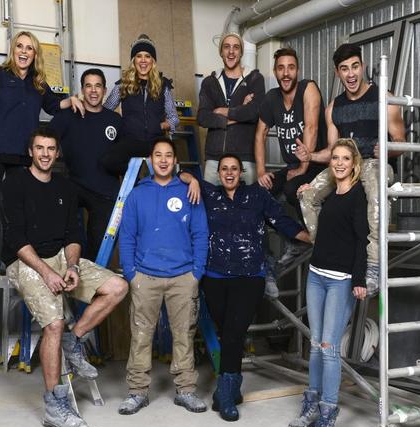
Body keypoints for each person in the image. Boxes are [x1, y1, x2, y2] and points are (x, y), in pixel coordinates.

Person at [1, 127, 128, 427]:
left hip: (61, 257)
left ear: (57, 153)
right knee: (54, 323)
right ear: (31, 151)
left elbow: (75, 234)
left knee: (117, 287)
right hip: (25, 261)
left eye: (51, 149)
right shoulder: (15, 182)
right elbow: (15, 237)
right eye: (40, 148)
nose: (45, 154)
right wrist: (47, 273)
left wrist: (70, 266)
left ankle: (77, 337)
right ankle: (54, 404)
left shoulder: (65, 187)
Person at [180, 154, 310, 422]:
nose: (229, 173)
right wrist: (192, 178)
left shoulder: (257, 196)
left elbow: (280, 220)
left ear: (241, 173)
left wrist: (309, 236)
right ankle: (230, 388)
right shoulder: (209, 193)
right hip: (214, 276)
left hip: (249, 276)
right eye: (224, 169)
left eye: (234, 169)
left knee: (234, 331)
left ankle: (226, 393)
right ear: (218, 174)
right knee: (225, 330)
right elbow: (178, 172)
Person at [0, 30, 85, 286]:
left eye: (30, 48)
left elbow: (53, 105)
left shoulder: (37, 82)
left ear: (34, 54)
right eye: (20, 46)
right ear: (13, 50)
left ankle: (13, 260)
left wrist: (71, 100)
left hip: (21, 158)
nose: (24, 52)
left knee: (16, 212)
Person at [295, 43, 405, 295]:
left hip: (375, 164)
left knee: (376, 198)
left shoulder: (385, 98)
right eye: (345, 69)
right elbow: (332, 151)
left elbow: (401, 140)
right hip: (345, 163)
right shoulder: (334, 108)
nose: (351, 73)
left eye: (355, 66)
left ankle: (374, 266)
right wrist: (310, 155)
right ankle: (326, 247)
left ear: (363, 66)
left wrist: (388, 148)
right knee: (307, 194)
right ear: (338, 73)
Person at [118, 137, 208, 415]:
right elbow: (127, 236)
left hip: (183, 276)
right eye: (158, 155)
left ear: (175, 161)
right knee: (141, 335)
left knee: (184, 334)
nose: (164, 160)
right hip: (145, 276)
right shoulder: (137, 195)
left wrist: (196, 273)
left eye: (169, 155)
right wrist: (132, 274)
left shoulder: (188, 191)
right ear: (150, 160)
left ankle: (186, 390)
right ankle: (137, 392)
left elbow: (201, 233)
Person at [288, 138, 368, 427]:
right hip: (316, 275)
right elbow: (323, 228)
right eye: (335, 158)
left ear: (354, 163)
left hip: (340, 281)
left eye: (344, 159)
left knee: (329, 346)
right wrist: (306, 194)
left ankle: (327, 413)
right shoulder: (332, 195)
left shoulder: (358, 196)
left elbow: (363, 240)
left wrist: (359, 279)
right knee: (316, 344)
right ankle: (310, 403)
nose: (338, 163)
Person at [254, 47, 328, 267]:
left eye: (291, 67)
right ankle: (296, 238)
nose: (286, 73)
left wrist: (304, 167)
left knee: (291, 187)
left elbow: (312, 127)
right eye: (281, 68)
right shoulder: (271, 98)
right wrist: (260, 172)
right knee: (257, 195)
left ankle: (318, 236)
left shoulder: (308, 88)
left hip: (318, 162)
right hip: (294, 165)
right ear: (275, 72)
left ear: (298, 70)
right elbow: (260, 134)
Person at [48, 68, 122, 261]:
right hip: (76, 186)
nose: (93, 91)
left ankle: (94, 286)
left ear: (105, 90)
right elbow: (44, 140)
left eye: (98, 86)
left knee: (98, 253)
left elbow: (128, 155)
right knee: (69, 239)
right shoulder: (68, 116)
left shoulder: (115, 121)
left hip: (106, 194)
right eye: (88, 86)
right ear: (82, 90)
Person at [101, 34, 179, 176]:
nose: (143, 60)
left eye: (147, 56)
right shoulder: (123, 85)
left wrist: (160, 126)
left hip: (155, 142)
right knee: (107, 161)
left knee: (167, 173)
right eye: (139, 56)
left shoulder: (163, 85)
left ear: (153, 60)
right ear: (133, 60)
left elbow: (174, 117)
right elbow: (106, 110)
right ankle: (136, 179)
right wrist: (119, 125)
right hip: (130, 140)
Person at [197, 32, 265, 185]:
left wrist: (223, 111)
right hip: (215, 158)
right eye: (226, 47)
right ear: (221, 51)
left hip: (245, 157)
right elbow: (203, 117)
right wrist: (240, 111)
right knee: (212, 205)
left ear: (241, 52)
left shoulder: (255, 79)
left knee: (247, 206)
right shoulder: (210, 82)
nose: (231, 51)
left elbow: (254, 112)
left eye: (236, 47)